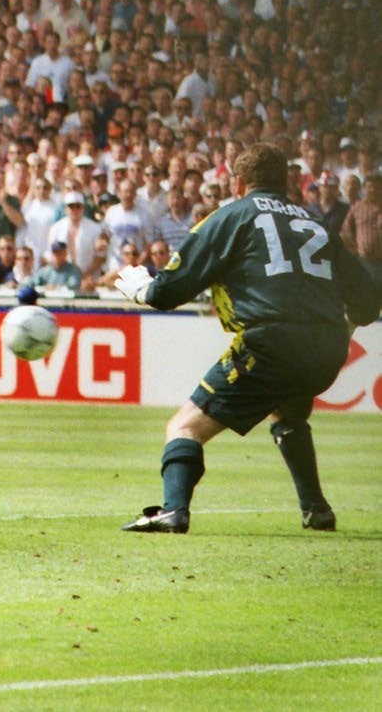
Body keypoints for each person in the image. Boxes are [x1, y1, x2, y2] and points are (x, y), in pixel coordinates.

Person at [115, 144, 380, 534]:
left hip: (271, 341)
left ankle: (173, 510)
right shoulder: (317, 224)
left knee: (184, 427)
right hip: (328, 349)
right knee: (287, 412)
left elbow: (169, 292)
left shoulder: (232, 216)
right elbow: (369, 302)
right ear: (286, 183)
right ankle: (316, 509)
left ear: (238, 183)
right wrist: (340, 331)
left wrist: (142, 290)